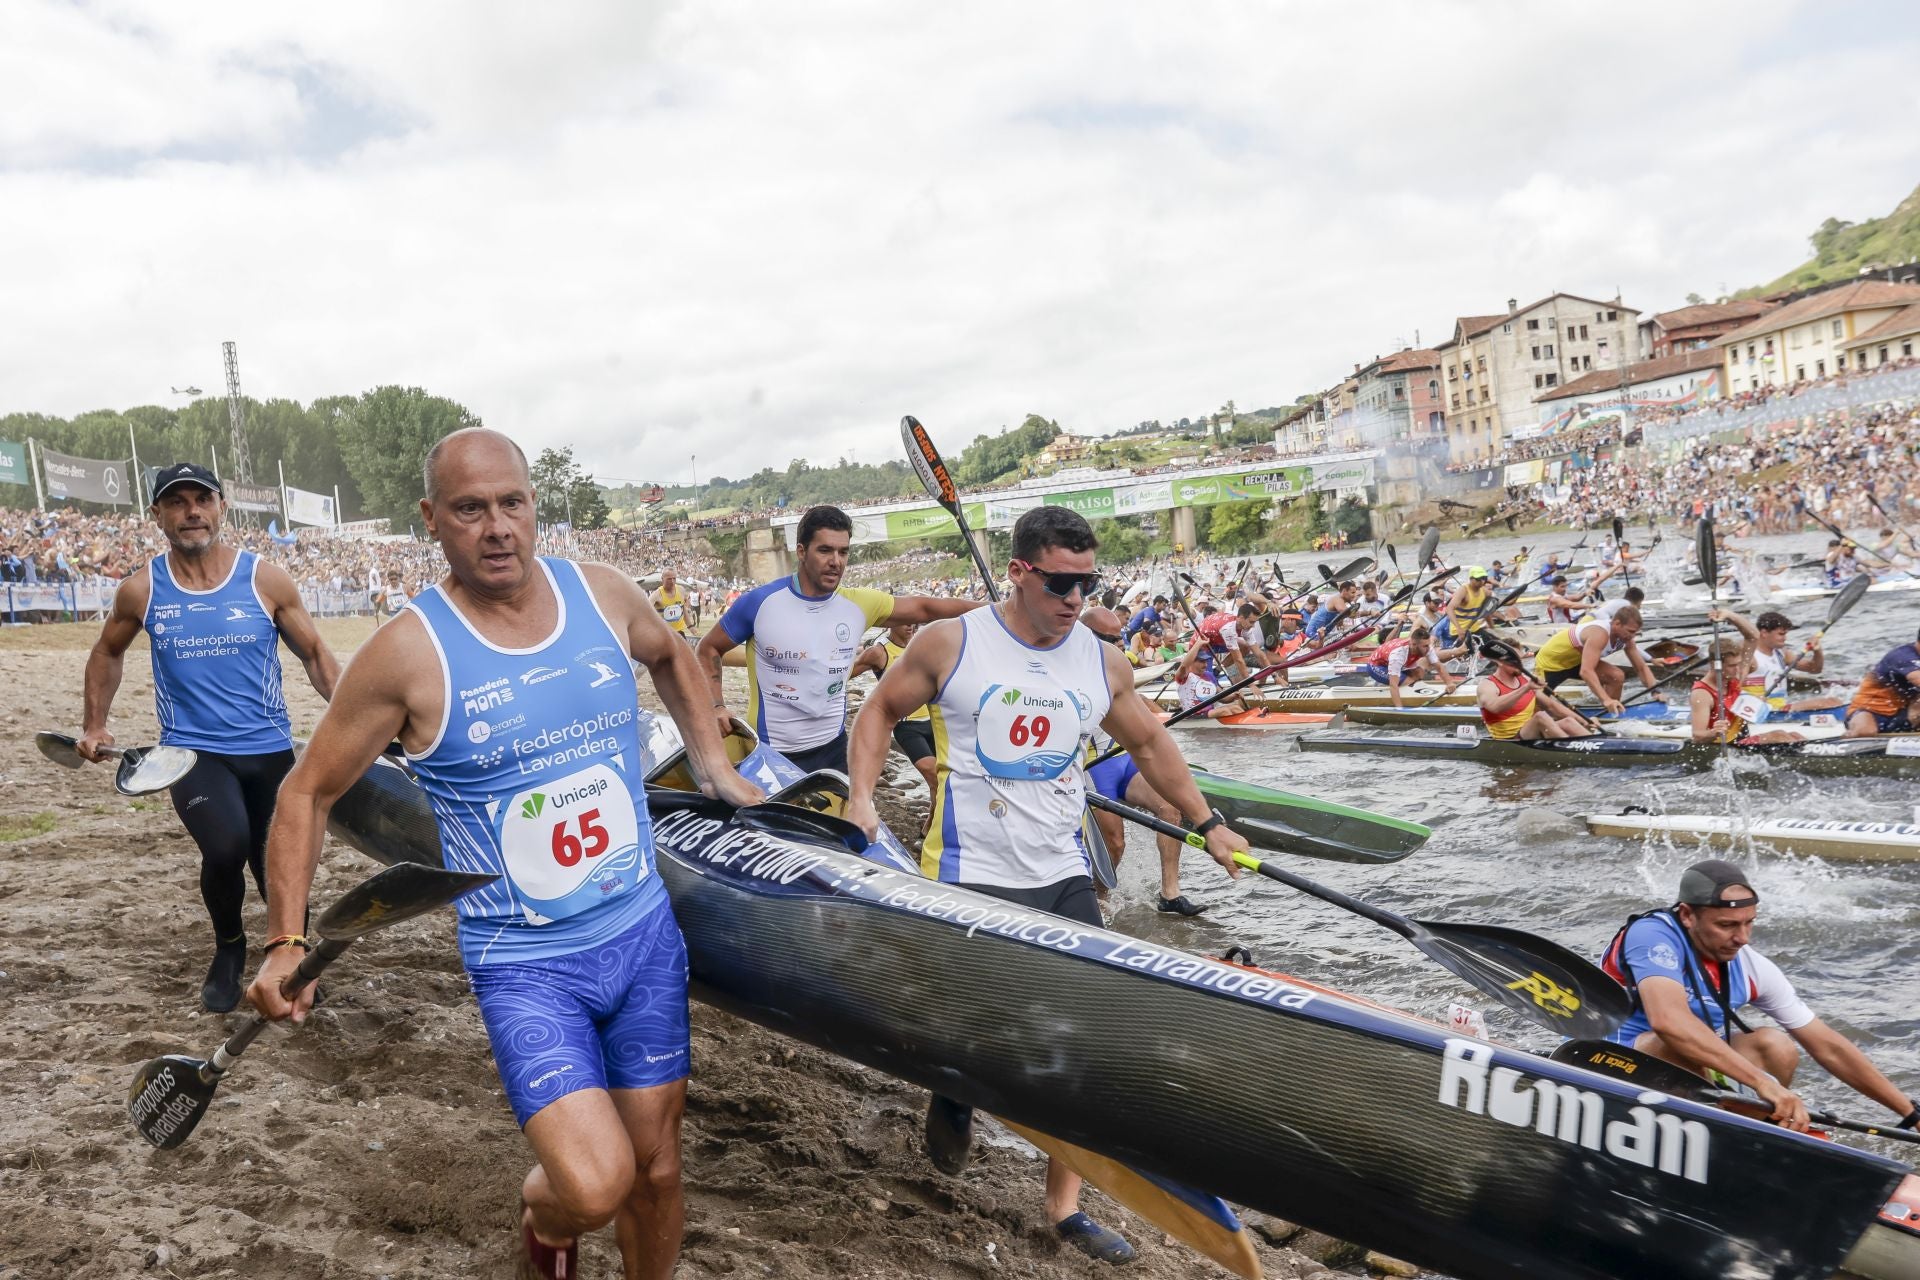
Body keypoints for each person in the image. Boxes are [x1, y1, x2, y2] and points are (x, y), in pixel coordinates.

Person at [246, 429, 764, 1280]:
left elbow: (673, 655)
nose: (497, 529)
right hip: (527, 964)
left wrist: (714, 767)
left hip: (641, 936)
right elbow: (304, 793)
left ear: (534, 504)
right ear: (432, 519)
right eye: (470, 509)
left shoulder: (601, 594)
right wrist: (285, 940)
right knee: (597, 1185)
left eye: (512, 503)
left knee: (658, 1172)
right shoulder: (409, 652)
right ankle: (546, 1222)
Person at [844, 506, 1250, 1265]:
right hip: (970, 873)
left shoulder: (1098, 660)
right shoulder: (952, 644)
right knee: (974, 1034)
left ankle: (1064, 1209)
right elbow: (878, 715)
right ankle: (955, 1085)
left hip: (1063, 870)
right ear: (1022, 572)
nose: (1076, 599)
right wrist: (862, 799)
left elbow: (1151, 741)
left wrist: (1207, 820)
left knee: (1081, 1038)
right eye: (1062, 583)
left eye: (1087, 583)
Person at [78, 462, 340, 1012]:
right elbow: (107, 651)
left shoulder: (263, 580)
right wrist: (94, 723)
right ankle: (229, 947)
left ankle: (293, 960)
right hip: (190, 755)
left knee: (279, 872)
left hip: (271, 751)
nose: (191, 511)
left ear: (221, 507)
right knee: (225, 847)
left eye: (203, 499)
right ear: (158, 515)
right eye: (177, 502)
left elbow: (314, 653)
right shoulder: (143, 589)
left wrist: (350, 718)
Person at [1600, 860, 1920, 1135]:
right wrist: (1762, 1084)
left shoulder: (1751, 966)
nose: (1742, 938)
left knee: (1774, 1044)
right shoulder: (1651, 935)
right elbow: (1669, 1022)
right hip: (1614, 1064)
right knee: (1671, 1041)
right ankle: (1743, 1120)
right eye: (1726, 925)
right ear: (1687, 915)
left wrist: (1910, 1113)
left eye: (1748, 923)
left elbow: (1829, 1047)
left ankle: (1751, 1128)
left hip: (1695, 1080)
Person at [695, 506, 977, 774]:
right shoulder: (759, 603)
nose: (836, 562)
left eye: (843, 552)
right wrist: (716, 706)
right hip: (773, 752)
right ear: (802, 552)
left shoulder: (859, 604)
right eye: (825, 550)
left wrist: (999, 611)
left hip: (834, 749)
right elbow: (708, 648)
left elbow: (926, 608)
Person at [1081, 606, 1205, 916]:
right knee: (1116, 843)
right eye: (1110, 640)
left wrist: (1160, 713)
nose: (1119, 647)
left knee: (1169, 809)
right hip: (1094, 768)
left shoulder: (1116, 667)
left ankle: (1170, 894)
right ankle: (1099, 901)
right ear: (1086, 638)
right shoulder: (1066, 673)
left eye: (1120, 639)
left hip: (1122, 760)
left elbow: (1134, 698)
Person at [848, 622, 938, 799]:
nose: (911, 626)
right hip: (907, 727)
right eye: (906, 621)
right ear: (891, 623)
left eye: (915, 622)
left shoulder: (923, 646)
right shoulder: (879, 652)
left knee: (942, 780)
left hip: (934, 722)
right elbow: (843, 675)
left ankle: (933, 823)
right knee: (932, 773)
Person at [1530, 605, 1661, 716]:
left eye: (1635, 633)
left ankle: (1610, 714)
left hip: (1577, 662)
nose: (1632, 636)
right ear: (1617, 624)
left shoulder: (1626, 639)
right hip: (1551, 664)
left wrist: (1656, 692)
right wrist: (1605, 699)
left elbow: (1641, 667)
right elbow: (1586, 672)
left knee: (1616, 676)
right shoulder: (1600, 633)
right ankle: (1608, 704)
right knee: (1536, 708)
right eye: (1630, 631)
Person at [1712, 608, 1830, 714]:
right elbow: (1750, 636)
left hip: (1780, 709)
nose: (1785, 638)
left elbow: (1815, 669)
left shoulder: (1782, 653)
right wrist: (1729, 615)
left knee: (1833, 701)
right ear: (1764, 633)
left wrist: (1817, 651)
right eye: (1781, 634)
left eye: (1785, 634)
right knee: (1828, 703)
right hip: (1757, 712)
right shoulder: (1748, 655)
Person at [1475, 637, 1591, 740]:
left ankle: (1595, 743)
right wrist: (1526, 688)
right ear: (1500, 662)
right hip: (1510, 739)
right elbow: (1495, 707)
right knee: (1540, 716)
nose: (1520, 664)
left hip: (1530, 734)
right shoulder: (1487, 685)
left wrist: (1584, 721)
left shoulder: (1525, 680)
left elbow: (1551, 706)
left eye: (1521, 659)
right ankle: (1572, 750)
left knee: (1569, 721)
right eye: (1515, 661)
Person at [1845, 626, 1920, 737]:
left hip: (1904, 715)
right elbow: (1917, 679)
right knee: (1866, 732)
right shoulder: (1902, 655)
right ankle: (1846, 738)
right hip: (1870, 712)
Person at [1365, 626, 1455, 709]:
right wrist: (1400, 710)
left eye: (1428, 645)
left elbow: (1438, 666)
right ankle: (1400, 700)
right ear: (1414, 644)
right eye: (1425, 646)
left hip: (1394, 661)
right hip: (1376, 665)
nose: (1428, 649)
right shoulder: (1398, 654)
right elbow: (1393, 685)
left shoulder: (1425, 646)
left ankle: (1408, 693)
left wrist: (1449, 683)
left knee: (1420, 673)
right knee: (1410, 682)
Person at [651, 568, 690, 640]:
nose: (672, 581)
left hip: (679, 633)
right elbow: (646, 611)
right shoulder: (656, 594)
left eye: (674, 578)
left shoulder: (681, 590)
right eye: (669, 579)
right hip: (664, 634)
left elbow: (684, 609)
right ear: (662, 579)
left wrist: (690, 626)